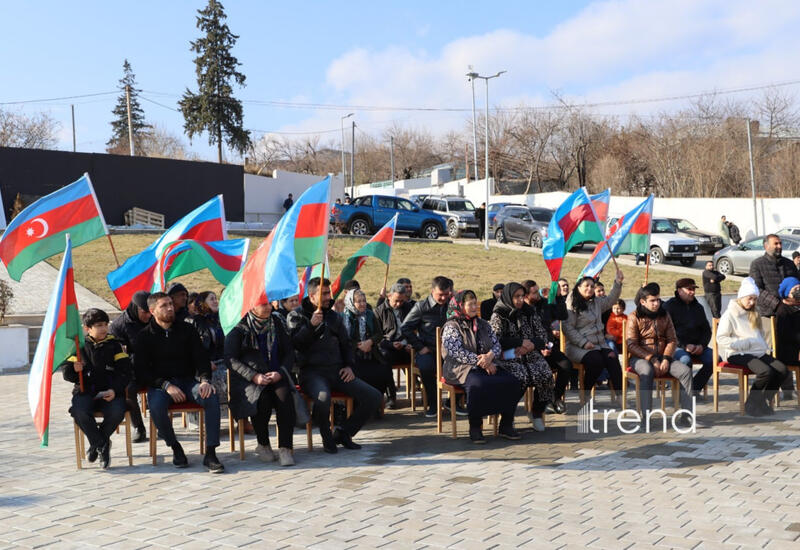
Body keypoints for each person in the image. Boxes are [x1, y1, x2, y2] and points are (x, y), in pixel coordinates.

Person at [287, 277, 382, 453]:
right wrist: (310, 325)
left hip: (337, 371)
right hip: (312, 373)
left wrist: (349, 366)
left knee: (374, 396)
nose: (327, 297)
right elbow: (295, 344)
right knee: (323, 398)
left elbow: (346, 345)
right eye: (323, 293)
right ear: (311, 295)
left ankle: (344, 432)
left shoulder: (334, 316)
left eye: (328, 293)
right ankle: (326, 434)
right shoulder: (296, 315)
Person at [134, 292, 224, 473]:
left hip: (188, 382)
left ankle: (211, 453)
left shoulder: (187, 329)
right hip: (161, 386)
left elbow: (201, 359)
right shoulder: (144, 336)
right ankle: (175, 447)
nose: (169, 308)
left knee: (211, 396)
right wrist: (166, 385)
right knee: (157, 407)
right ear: (152, 311)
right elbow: (142, 371)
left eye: (170, 304)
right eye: (163, 306)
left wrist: (205, 380)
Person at [441, 290, 524, 444]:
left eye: (475, 303)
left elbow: (496, 345)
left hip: (489, 364)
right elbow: (456, 352)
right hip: (461, 368)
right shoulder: (451, 326)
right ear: (460, 306)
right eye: (470, 304)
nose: (474, 307)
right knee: (478, 385)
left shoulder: (484, 324)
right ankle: (475, 426)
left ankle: (506, 424)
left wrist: (490, 356)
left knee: (513, 381)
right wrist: (483, 361)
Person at [226, 299, 296, 466]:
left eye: (268, 304)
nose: (269, 307)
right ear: (252, 305)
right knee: (261, 400)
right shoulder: (239, 328)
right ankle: (263, 444)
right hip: (249, 380)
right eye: (263, 304)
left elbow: (289, 353)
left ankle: (285, 448)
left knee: (284, 398)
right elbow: (231, 360)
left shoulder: (277, 322)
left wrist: (280, 373)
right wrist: (254, 376)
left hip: (275, 375)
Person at [61, 309, 129, 469]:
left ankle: (96, 444)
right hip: (85, 392)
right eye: (99, 325)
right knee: (79, 411)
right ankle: (102, 444)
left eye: (106, 324)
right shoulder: (78, 347)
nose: (104, 328)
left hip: (110, 393)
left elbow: (126, 373)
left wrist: (114, 390)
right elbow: (67, 375)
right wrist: (74, 369)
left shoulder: (115, 345)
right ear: (87, 328)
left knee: (117, 411)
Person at [717, 278, 788, 416]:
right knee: (765, 371)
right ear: (742, 297)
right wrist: (742, 344)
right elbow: (721, 338)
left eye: (755, 299)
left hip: (756, 352)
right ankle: (752, 403)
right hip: (737, 353)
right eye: (750, 298)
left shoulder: (755, 313)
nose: (752, 302)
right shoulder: (730, 314)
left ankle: (761, 401)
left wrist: (761, 346)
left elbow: (759, 335)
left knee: (782, 370)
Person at [627, 283, 696, 428]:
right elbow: (631, 345)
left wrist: (666, 358)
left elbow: (672, 340)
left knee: (685, 371)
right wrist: (650, 359)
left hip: (663, 357)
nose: (656, 303)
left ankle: (686, 415)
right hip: (640, 358)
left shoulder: (665, 315)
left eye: (658, 300)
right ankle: (646, 416)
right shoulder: (634, 317)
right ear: (643, 301)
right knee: (647, 371)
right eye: (652, 300)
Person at [489, 282, 555, 431]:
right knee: (520, 377)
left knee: (546, 374)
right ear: (508, 297)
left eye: (521, 296)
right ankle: (508, 416)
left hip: (529, 354)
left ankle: (536, 412)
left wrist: (531, 344)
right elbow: (496, 340)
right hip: (507, 356)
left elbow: (542, 335)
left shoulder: (529, 312)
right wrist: (519, 342)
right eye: (516, 297)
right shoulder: (499, 314)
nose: (519, 300)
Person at [562, 270, 625, 401]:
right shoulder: (572, 302)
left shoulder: (596, 302)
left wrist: (618, 283)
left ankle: (620, 396)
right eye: (586, 286)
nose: (590, 289)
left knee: (612, 359)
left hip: (599, 344)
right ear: (579, 287)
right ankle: (585, 392)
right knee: (596, 361)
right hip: (577, 346)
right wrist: (584, 343)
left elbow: (610, 300)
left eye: (592, 286)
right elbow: (567, 327)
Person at [401, 276, 456, 418]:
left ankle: (454, 402)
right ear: (432, 291)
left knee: (465, 365)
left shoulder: (452, 304)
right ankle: (434, 403)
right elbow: (405, 327)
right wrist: (419, 347)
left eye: (446, 294)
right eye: (440, 295)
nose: (444, 298)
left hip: (450, 350)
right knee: (427, 368)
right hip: (428, 350)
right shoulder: (421, 306)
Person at [521, 279, 571, 413]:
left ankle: (554, 398)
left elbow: (562, 315)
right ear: (526, 296)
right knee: (544, 372)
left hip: (548, 347)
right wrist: (537, 348)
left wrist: (559, 298)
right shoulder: (521, 310)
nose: (538, 294)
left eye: (538, 290)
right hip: (530, 351)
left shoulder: (544, 304)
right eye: (535, 292)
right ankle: (539, 407)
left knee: (566, 365)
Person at [108, 290, 150, 442]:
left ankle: (163, 425)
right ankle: (138, 426)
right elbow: (117, 357)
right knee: (129, 389)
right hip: (133, 370)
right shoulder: (119, 326)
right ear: (135, 308)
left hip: (154, 367)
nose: (149, 316)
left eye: (150, 311)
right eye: (145, 312)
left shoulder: (154, 319)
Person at [663, 278, 714, 399]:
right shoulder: (669, 307)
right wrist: (684, 346)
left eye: (694, 289)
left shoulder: (698, 308)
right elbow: (667, 332)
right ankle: (683, 395)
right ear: (679, 291)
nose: (692, 292)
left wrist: (702, 345)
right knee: (685, 360)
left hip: (698, 346)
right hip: (676, 346)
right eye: (689, 289)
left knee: (715, 359)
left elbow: (707, 330)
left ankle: (694, 390)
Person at [342, 289, 392, 408]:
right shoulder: (344, 317)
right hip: (352, 357)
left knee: (383, 371)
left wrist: (370, 342)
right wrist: (358, 345)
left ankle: (375, 404)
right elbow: (344, 339)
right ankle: (358, 406)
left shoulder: (369, 314)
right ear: (351, 303)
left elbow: (379, 334)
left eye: (364, 301)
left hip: (371, 354)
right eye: (359, 301)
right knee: (357, 375)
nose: (363, 304)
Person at [374, 282, 414, 408]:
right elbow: (376, 337)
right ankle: (391, 396)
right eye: (396, 301)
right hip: (388, 348)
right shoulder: (379, 311)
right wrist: (391, 344)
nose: (398, 304)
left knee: (425, 357)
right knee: (383, 359)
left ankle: (429, 396)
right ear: (389, 296)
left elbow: (415, 329)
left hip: (407, 348)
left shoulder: (408, 308)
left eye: (401, 301)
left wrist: (411, 344)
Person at [187, 291, 228, 407]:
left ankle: (241, 419)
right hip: (204, 366)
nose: (216, 301)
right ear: (202, 303)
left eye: (216, 298)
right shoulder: (194, 321)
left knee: (237, 378)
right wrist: (205, 362)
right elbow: (191, 349)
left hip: (223, 362)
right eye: (211, 299)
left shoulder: (222, 319)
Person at [749, 234, 799, 318]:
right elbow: (757, 290)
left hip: (792, 308)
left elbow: (797, 283)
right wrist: (777, 304)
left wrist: (795, 297)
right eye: (776, 244)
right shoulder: (757, 264)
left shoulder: (789, 264)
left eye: (780, 243)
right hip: (768, 313)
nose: (779, 246)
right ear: (766, 246)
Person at [776, 277, 800, 398]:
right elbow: (786, 335)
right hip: (788, 351)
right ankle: (789, 392)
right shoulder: (783, 310)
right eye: (795, 289)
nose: (798, 292)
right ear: (786, 293)